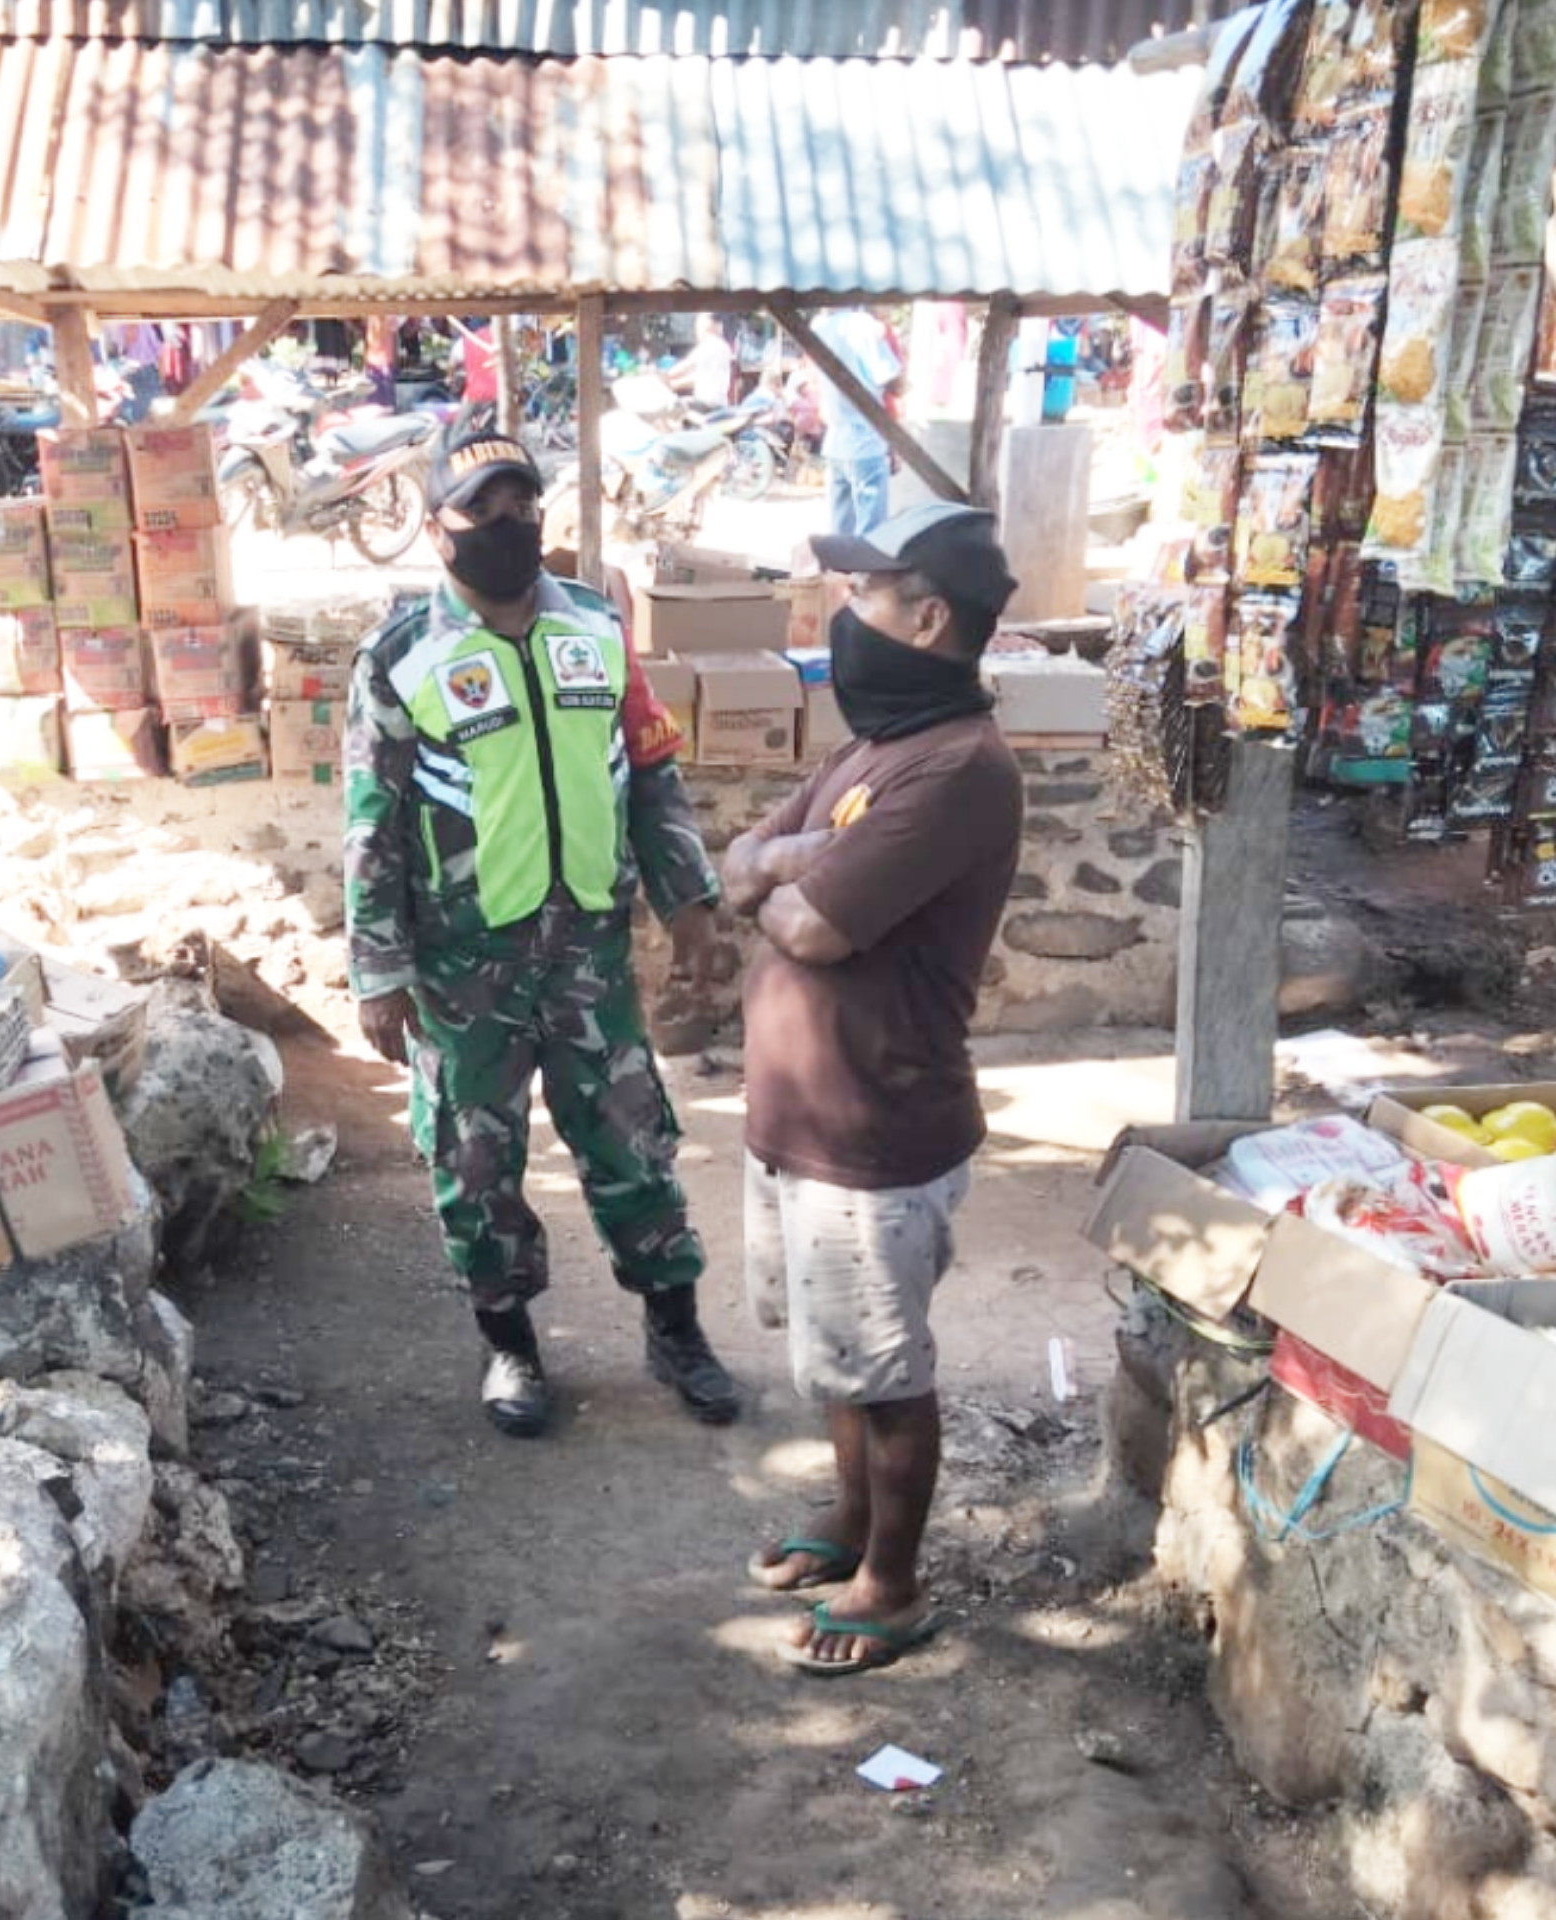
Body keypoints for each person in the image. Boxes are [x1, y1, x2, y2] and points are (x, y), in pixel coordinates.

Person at [344, 428, 739, 1437]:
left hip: (588, 953)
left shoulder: (598, 629)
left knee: (633, 1143)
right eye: (485, 510)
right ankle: (511, 1346)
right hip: (461, 964)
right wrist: (378, 968)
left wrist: (687, 904)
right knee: (475, 1164)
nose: (510, 527)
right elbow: (371, 819)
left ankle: (675, 1328)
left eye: (524, 506)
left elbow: (650, 772)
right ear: (438, 531)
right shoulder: (400, 655)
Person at [721, 503, 1024, 1677]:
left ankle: (891, 1585)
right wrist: (784, 864)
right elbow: (742, 861)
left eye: (865, 593)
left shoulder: (957, 770)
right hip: (800, 1118)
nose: (840, 615)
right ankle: (850, 1525)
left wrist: (782, 875)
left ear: (930, 617)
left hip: (876, 1125)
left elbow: (804, 919)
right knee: (833, 1356)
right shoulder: (873, 751)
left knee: (885, 1374)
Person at [812, 308, 904, 537]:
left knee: (840, 532)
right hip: (866, 440)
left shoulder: (818, 326)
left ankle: (839, 571)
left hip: (835, 439)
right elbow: (894, 382)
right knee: (871, 535)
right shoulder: (863, 325)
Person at [670, 314, 735, 413]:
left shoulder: (709, 344)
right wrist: (673, 385)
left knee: (670, 408)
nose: (696, 331)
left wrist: (664, 376)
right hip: (719, 404)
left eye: (697, 326)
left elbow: (682, 368)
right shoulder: (724, 347)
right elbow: (700, 377)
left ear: (707, 325)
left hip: (705, 403)